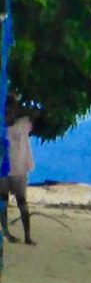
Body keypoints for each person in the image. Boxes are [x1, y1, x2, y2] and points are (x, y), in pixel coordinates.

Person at [1, 93, 35, 246]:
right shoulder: (10, 125)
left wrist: (13, 101)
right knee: (3, 202)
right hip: (4, 171)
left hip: (18, 170)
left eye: (10, 112)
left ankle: (27, 235)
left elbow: (35, 112)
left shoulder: (23, 123)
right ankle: (7, 232)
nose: (8, 115)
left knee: (22, 203)